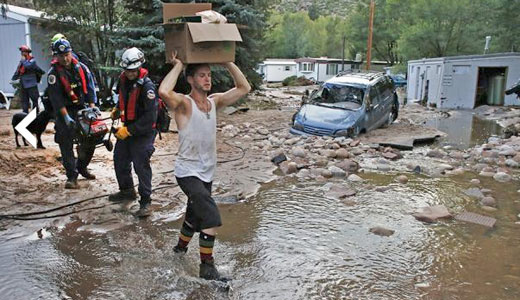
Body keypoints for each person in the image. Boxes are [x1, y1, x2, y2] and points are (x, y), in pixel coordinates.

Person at [158, 52, 251, 281]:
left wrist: (227, 61)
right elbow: (163, 92)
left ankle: (179, 250)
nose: (207, 79)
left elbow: (244, 88)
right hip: (187, 172)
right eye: (201, 75)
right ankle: (207, 267)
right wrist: (179, 65)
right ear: (191, 80)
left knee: (194, 215)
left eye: (209, 75)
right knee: (210, 216)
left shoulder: (214, 101)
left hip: (207, 172)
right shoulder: (184, 104)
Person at [107, 47, 158, 218]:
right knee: (119, 159)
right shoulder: (123, 81)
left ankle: (146, 202)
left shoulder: (147, 87)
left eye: (132, 71)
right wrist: (116, 109)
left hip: (143, 131)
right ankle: (127, 190)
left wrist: (129, 130)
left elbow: (150, 117)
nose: (129, 73)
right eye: (127, 70)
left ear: (139, 68)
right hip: (127, 128)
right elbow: (124, 101)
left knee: (140, 164)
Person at [47, 38, 99, 189]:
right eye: (61, 55)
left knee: (93, 136)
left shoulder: (81, 68)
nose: (65, 58)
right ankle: (72, 176)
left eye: (67, 54)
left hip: (82, 107)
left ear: (71, 52)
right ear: (56, 56)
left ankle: (82, 167)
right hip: (65, 110)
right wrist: (66, 117)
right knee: (65, 140)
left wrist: (92, 107)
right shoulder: (53, 74)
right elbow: (56, 99)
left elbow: (90, 88)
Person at [11, 45, 45, 113]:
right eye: (21, 52)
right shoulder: (22, 61)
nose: (21, 53)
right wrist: (13, 79)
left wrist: (23, 60)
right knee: (24, 100)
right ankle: (25, 114)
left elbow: (28, 66)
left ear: (27, 52)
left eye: (23, 52)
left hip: (31, 84)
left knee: (34, 100)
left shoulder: (32, 61)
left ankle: (35, 114)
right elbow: (18, 70)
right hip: (23, 84)